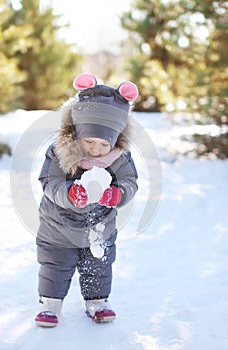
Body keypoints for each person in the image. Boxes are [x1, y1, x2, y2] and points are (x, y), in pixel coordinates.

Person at [35, 73, 139, 327]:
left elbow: (129, 181)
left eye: (103, 144)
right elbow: (50, 182)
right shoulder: (59, 151)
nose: (95, 149)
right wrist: (70, 194)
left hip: (98, 225)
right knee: (56, 264)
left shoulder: (119, 157)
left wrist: (117, 194)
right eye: (89, 141)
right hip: (58, 225)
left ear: (115, 139)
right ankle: (50, 305)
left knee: (98, 263)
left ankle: (97, 302)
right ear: (77, 134)